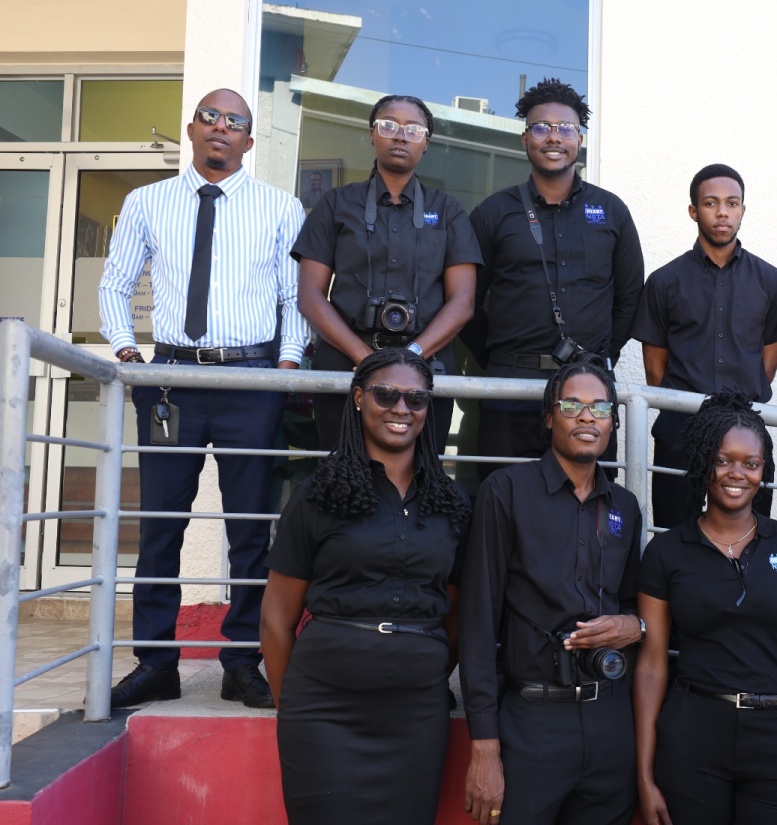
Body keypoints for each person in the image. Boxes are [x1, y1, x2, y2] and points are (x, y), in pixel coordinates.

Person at [98, 88, 306, 709]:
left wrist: (288, 364)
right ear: (191, 129)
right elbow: (115, 283)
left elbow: (294, 298)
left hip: (252, 383)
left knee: (249, 530)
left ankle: (244, 661)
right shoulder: (147, 202)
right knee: (161, 525)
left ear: (249, 140)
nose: (221, 128)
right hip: (170, 382)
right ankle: (155, 662)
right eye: (210, 117)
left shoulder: (279, 207)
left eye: (235, 121)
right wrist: (125, 350)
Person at [260, 347, 472, 825]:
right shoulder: (318, 495)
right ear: (358, 399)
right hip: (322, 710)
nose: (401, 409)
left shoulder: (452, 503)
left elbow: (454, 615)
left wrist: (422, 665)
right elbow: (276, 620)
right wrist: (290, 706)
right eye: (386, 395)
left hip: (416, 712)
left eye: (416, 399)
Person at [633, 390, 777, 825]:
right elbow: (652, 664)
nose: (736, 474)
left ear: (764, 471)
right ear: (703, 461)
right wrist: (645, 772)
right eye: (724, 459)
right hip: (694, 732)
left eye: (751, 464)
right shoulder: (668, 551)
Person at [459, 359, 644, 825]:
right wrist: (484, 746)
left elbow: (635, 604)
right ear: (549, 417)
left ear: (612, 422)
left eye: (600, 407)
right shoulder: (506, 491)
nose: (587, 417)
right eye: (572, 405)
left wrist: (632, 625)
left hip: (610, 720)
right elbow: (477, 620)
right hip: (532, 719)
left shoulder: (625, 506)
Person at [461, 77, 643, 479]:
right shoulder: (493, 213)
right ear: (525, 139)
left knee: (589, 500)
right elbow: (465, 302)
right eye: (541, 127)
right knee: (502, 497)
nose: (553, 137)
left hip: (587, 389)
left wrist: (596, 355)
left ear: (579, 139)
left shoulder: (612, 211)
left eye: (565, 128)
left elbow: (630, 297)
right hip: (509, 386)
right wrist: (500, 357)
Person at [293, 94, 481, 453]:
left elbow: (463, 303)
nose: (400, 136)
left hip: (428, 363)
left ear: (426, 143)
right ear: (372, 134)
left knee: (423, 480)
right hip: (345, 364)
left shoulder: (448, 211)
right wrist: (366, 359)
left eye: (413, 129)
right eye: (389, 126)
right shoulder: (335, 204)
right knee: (341, 473)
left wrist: (411, 356)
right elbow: (310, 296)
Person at [631, 164, 777, 529]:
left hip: (748, 431)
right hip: (679, 429)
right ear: (693, 211)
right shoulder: (664, 281)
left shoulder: (770, 281)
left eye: (732, 203)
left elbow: (769, 358)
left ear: (742, 211)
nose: (722, 212)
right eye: (711, 203)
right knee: (675, 531)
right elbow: (655, 368)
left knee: (752, 531)